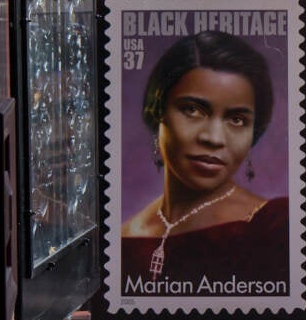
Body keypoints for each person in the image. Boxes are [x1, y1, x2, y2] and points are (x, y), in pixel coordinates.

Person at [120, 31, 289, 292]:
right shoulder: (125, 236)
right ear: (157, 113)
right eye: (192, 110)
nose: (213, 138)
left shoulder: (274, 225)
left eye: (237, 120)